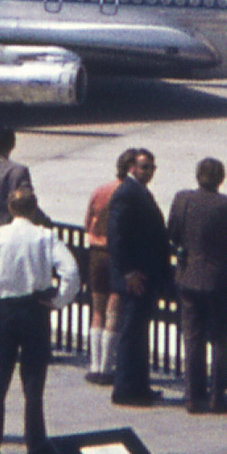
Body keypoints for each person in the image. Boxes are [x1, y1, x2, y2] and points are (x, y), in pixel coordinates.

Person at [0, 187, 80, 454]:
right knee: (34, 384)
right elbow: (71, 272)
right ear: (34, 208)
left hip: (3, 310)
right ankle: (35, 445)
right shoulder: (45, 237)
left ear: (10, 209)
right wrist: (59, 301)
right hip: (35, 310)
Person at [167, 156, 227, 413]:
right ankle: (217, 396)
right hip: (218, 278)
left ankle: (193, 395)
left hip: (188, 275)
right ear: (221, 179)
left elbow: (173, 233)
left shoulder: (182, 199)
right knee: (221, 339)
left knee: (192, 337)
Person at [107, 148, 172, 407]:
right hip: (135, 276)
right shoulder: (126, 194)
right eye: (145, 167)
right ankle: (125, 388)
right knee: (131, 331)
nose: (150, 172)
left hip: (146, 274)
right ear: (131, 168)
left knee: (138, 331)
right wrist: (128, 272)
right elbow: (117, 237)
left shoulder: (138, 192)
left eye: (152, 167)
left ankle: (139, 385)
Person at [82, 149, 135, 386]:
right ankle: (107, 367)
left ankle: (94, 365)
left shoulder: (100, 191)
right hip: (116, 254)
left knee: (97, 308)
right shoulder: (130, 194)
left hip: (96, 251)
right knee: (114, 309)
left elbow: (87, 223)